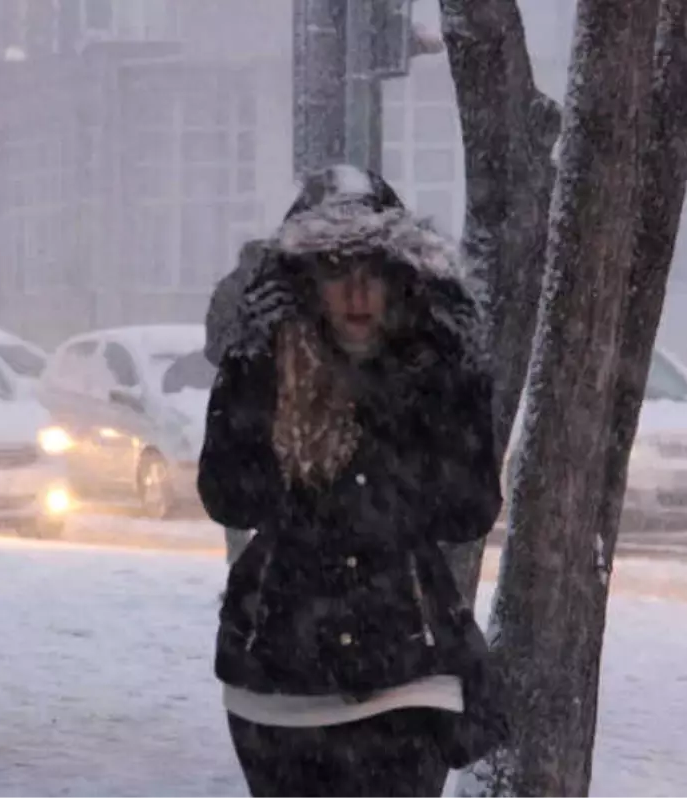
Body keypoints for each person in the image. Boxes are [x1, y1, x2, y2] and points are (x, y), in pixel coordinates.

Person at [198, 165, 502, 798]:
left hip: (407, 668)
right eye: (336, 270)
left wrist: (454, 380)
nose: (357, 292)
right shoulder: (265, 366)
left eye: (375, 270)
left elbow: (468, 511)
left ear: (403, 279)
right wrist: (251, 368)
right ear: (305, 281)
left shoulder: (432, 369)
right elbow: (230, 496)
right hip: (277, 678)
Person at [204, 239, 270, 565]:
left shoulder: (230, 291)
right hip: (254, 402)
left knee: (239, 493)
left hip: (242, 402)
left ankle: (241, 568)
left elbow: (211, 348)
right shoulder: (264, 293)